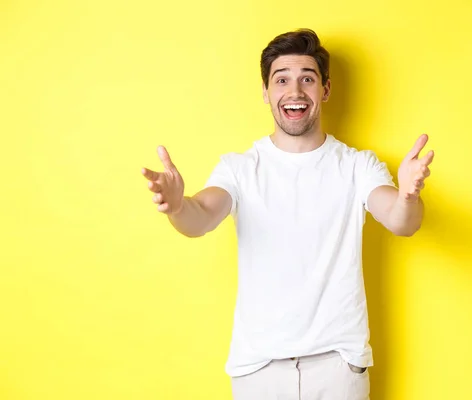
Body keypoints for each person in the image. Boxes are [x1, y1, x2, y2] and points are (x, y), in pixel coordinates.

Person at [141, 28, 434, 400]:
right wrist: (178, 205)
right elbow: (200, 217)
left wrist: (408, 195)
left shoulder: (358, 166)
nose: (294, 91)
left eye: (307, 79)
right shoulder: (239, 169)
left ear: (324, 90)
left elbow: (400, 221)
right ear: (266, 92)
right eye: (282, 80)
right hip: (258, 370)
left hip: (338, 369)